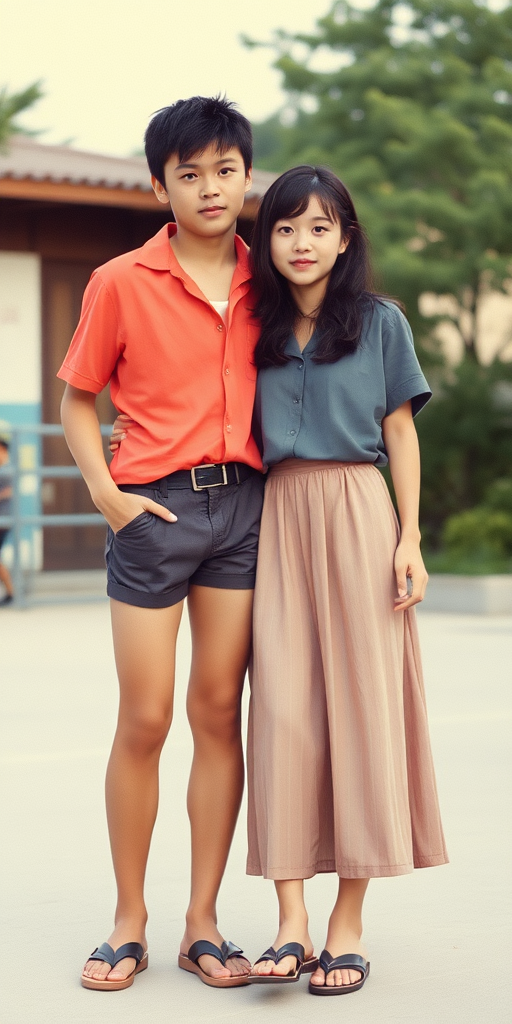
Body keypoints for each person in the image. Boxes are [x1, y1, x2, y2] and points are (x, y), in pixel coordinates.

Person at [57, 96, 265, 991]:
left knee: (219, 716)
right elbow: (78, 397)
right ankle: (128, 918)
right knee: (144, 720)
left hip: (246, 514)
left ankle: (202, 921)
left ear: (245, 175)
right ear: (160, 185)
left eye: (225, 169)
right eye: (190, 173)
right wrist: (108, 497)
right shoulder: (120, 280)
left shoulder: (280, 275)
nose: (210, 187)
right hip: (155, 516)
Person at [245, 166, 448, 994]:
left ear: (345, 238)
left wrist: (412, 536)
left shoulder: (380, 323)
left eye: (319, 227)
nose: (302, 243)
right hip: (279, 518)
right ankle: (290, 922)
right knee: (284, 712)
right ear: (268, 242)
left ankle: (346, 923)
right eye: (286, 228)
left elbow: (400, 432)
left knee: (364, 708)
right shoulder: (248, 322)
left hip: (362, 513)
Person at [0, 435, 14, 607]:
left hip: (3, 521)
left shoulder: (7, 470)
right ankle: (11, 592)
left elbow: (8, 492)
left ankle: (11, 592)